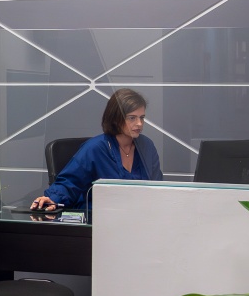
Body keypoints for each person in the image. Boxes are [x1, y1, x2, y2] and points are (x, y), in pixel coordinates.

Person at [30, 88, 163, 212]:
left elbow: (158, 188)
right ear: (116, 118)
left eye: (142, 117)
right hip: (98, 218)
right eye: (132, 118)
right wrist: (52, 198)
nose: (139, 123)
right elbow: (70, 182)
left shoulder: (147, 146)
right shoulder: (95, 148)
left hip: (138, 216)